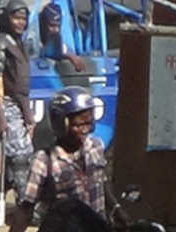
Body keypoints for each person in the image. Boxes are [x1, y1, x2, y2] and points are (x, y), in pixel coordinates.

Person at [9, 86, 129, 232]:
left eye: (89, 123)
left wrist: (116, 210)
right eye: (79, 125)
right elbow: (26, 208)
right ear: (61, 123)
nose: (85, 130)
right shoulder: (44, 161)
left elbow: (100, 183)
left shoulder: (95, 147)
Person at [0, 0, 35, 205]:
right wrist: (0, 115)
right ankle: (25, 203)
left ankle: (29, 200)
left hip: (20, 105)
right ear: (5, 18)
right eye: (16, 18)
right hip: (5, 105)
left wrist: (29, 116)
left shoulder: (18, 43)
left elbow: (22, 88)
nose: (20, 22)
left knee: (27, 155)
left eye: (23, 18)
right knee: (19, 156)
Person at [39, 3, 85, 72]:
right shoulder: (33, 40)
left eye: (58, 26)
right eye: (52, 26)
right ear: (43, 24)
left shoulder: (63, 46)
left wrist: (70, 56)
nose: (56, 30)